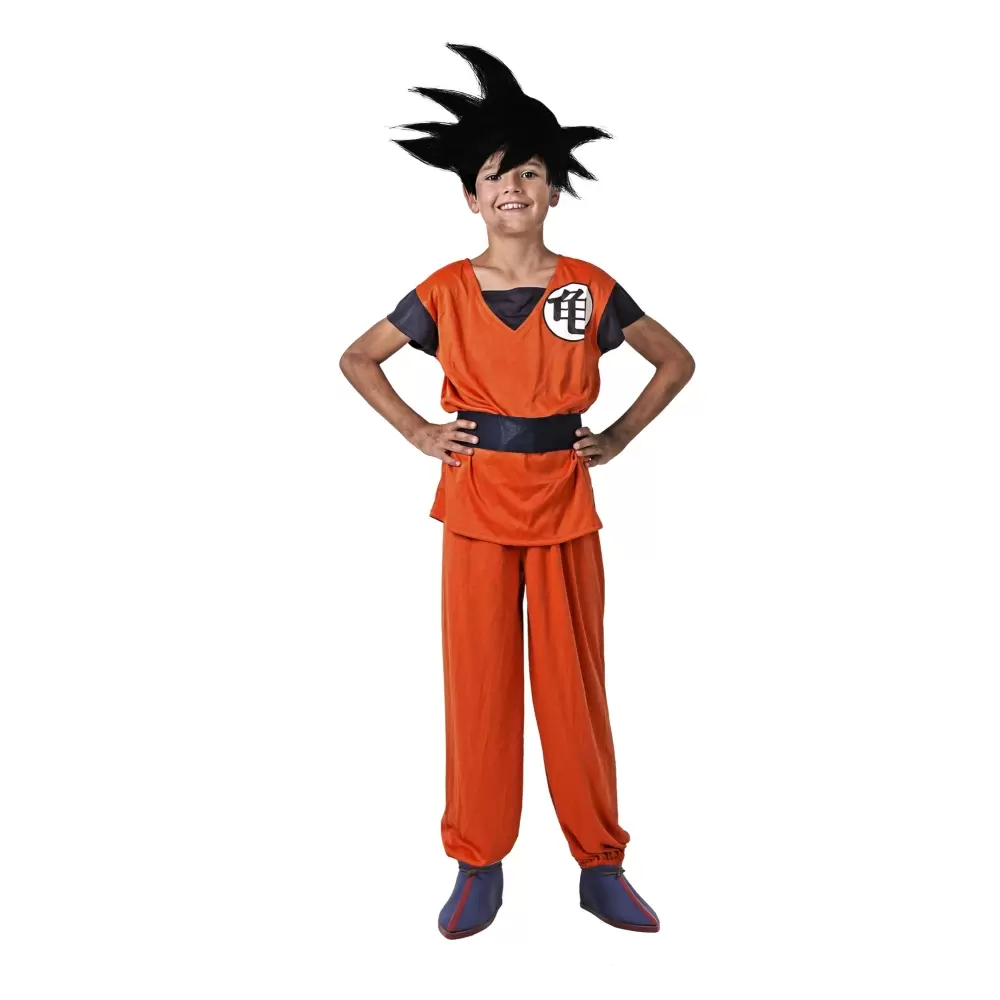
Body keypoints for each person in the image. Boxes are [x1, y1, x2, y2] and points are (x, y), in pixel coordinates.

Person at [340, 43, 695, 938]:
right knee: (480, 686)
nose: (513, 187)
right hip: (474, 504)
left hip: (564, 501)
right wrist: (420, 431)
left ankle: (600, 864)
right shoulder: (446, 291)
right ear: (470, 195)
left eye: (531, 172)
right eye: (495, 173)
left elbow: (674, 360)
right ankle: (478, 864)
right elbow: (359, 358)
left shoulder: (587, 287)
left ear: (553, 190)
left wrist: (617, 436)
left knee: (575, 687)